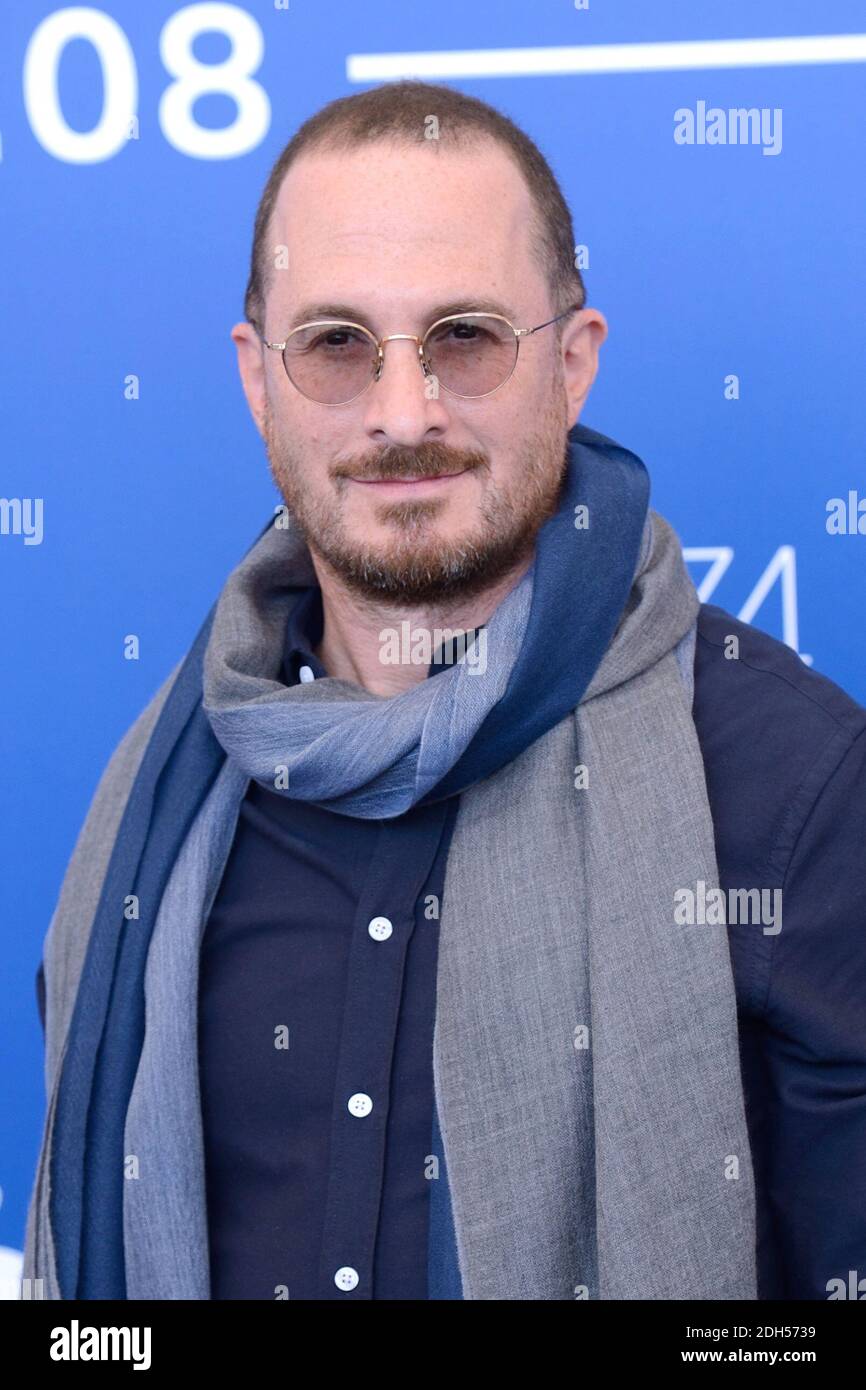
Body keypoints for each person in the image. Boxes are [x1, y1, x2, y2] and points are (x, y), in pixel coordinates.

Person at [24, 80, 866, 1302]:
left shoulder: (792, 790)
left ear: (572, 366)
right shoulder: (154, 809)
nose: (402, 411)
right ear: (259, 380)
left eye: (463, 337)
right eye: (335, 347)